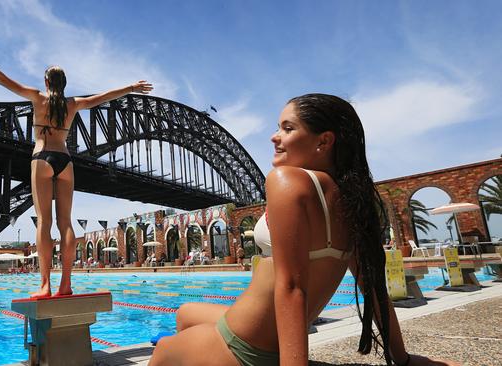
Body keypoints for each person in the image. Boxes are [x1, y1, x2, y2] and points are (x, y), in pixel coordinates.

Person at [149, 94, 458, 366]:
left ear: (323, 141)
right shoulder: (352, 199)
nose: (273, 136)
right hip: (255, 329)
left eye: (287, 128)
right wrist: (402, 359)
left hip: (246, 343)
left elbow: (292, 288)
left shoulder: (287, 180)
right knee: (186, 312)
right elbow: (373, 288)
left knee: (164, 350)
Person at [0, 44, 152, 297]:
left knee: (43, 222)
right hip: (65, 161)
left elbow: (2, 79)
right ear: (65, 83)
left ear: (46, 81)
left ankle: (45, 285)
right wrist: (131, 88)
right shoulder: (74, 104)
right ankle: (66, 284)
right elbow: (104, 97)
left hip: (42, 157)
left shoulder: (38, 98)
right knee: (65, 222)